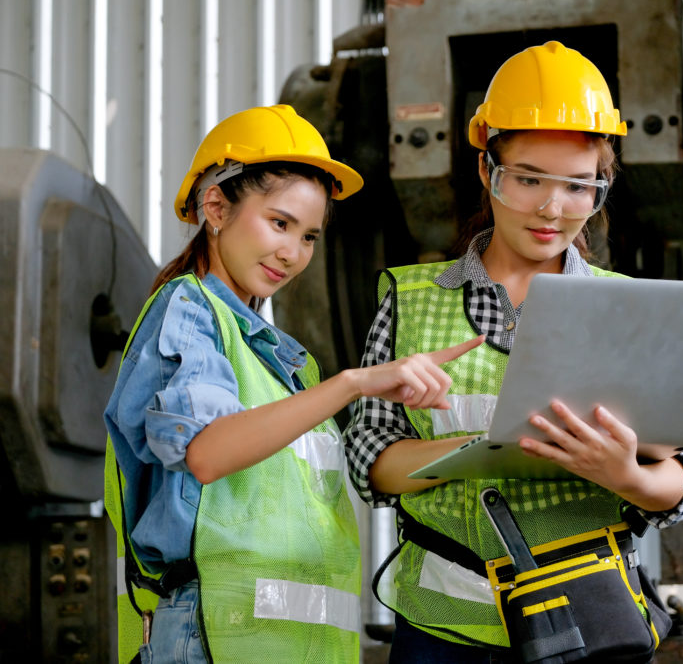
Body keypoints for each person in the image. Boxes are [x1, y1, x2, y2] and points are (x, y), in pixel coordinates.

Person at [343, 42, 683, 663]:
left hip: (589, 622)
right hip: (444, 627)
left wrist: (628, 477)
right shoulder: (409, 300)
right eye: (528, 179)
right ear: (489, 172)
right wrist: (480, 453)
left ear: (602, 187)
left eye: (577, 186)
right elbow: (369, 461)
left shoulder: (631, 311)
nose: (551, 207)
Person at [103, 104, 483, 664]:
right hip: (210, 632)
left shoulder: (284, 364)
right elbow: (206, 454)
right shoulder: (191, 310)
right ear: (216, 206)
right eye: (279, 223)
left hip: (283, 643)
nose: (293, 253)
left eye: (309, 236)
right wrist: (354, 383)